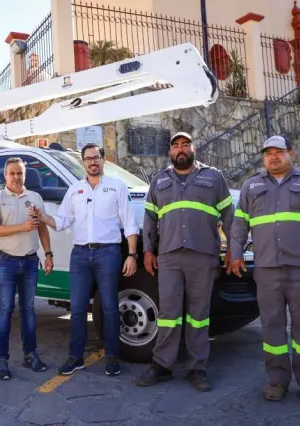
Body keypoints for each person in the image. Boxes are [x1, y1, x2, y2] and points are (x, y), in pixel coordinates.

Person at [228, 135, 300, 405]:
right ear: (263, 157)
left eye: (279, 151)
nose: (273, 157)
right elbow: (239, 224)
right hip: (266, 269)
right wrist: (235, 254)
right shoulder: (251, 186)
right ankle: (277, 380)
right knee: (272, 327)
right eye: (268, 153)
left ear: (291, 152)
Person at [133, 132, 234, 392]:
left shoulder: (213, 177)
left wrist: (234, 248)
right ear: (170, 152)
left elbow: (229, 214)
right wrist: (147, 250)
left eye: (185, 145)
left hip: (203, 255)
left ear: (193, 148)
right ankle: (162, 365)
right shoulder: (159, 180)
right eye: (176, 145)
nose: (181, 149)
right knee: (168, 313)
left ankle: (197, 367)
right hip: (169, 255)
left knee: (199, 315)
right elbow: (149, 219)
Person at [30, 143, 138, 377]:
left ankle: (111, 357)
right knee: (77, 309)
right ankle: (75, 357)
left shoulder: (117, 187)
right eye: (88, 159)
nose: (92, 162)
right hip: (80, 256)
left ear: (103, 160)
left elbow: (130, 223)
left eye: (96, 158)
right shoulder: (75, 190)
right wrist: (42, 216)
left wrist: (131, 254)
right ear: (83, 162)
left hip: (108, 253)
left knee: (109, 307)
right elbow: (61, 222)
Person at [0, 157, 53, 380]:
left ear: (25, 175)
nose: (16, 177)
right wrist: (22, 227)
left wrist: (48, 253)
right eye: (12, 173)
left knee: (29, 311)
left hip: (30, 261)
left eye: (20, 173)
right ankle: (1, 360)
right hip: (6, 262)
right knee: (5, 311)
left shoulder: (34, 198)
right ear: (5, 175)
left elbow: (42, 227)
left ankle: (30, 354)